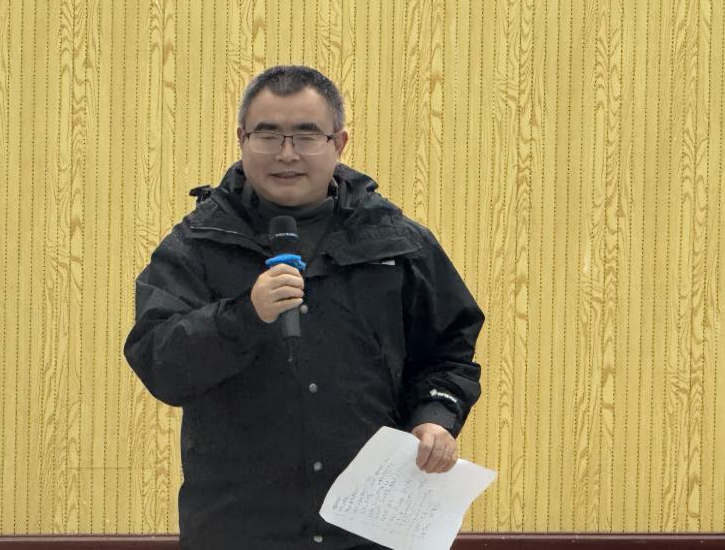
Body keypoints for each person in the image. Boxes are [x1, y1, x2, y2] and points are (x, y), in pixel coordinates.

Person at [124, 65, 484, 550]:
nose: (287, 153)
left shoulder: (397, 242)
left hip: (368, 530)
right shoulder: (199, 244)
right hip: (239, 530)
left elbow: (449, 352)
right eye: (268, 134)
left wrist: (435, 416)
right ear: (241, 139)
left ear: (340, 143)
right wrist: (245, 316)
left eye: (307, 135)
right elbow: (159, 361)